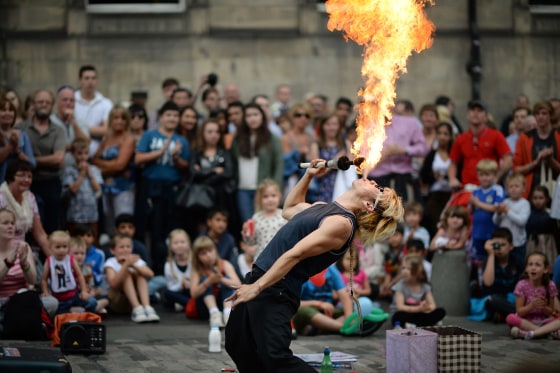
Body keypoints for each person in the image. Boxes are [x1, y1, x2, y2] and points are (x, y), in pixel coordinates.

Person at [225, 160, 403, 372]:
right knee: (238, 344)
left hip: (277, 288)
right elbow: (289, 209)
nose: (374, 182)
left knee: (275, 357)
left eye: (379, 189)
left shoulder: (342, 224)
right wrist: (308, 175)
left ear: (368, 205)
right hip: (262, 278)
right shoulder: (324, 208)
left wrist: (257, 287)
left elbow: (295, 254)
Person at [135, 101, 190, 275]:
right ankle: (154, 269)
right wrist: (160, 152)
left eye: (175, 115)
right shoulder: (149, 135)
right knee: (152, 230)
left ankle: (170, 270)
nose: (172, 119)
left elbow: (185, 166)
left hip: (172, 189)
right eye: (168, 115)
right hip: (151, 188)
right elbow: (138, 159)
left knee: (170, 230)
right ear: (161, 117)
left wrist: (176, 157)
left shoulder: (181, 140)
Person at [16, 89, 66, 234]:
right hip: (26, 182)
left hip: (51, 182)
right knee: (26, 222)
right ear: (33, 104)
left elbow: (58, 158)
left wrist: (31, 160)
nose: (43, 105)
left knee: (52, 223)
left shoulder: (58, 130)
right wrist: (44, 160)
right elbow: (16, 155)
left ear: (52, 105)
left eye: (47, 102)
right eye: (40, 102)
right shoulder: (21, 128)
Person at [0, 208, 58, 319]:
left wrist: (24, 264)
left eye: (12, 223)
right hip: (2, 302)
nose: (11, 226)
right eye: (5, 223)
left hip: (22, 301)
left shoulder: (22, 246)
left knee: (52, 302)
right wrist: (8, 263)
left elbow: (32, 280)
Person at [231, 103, 283, 223]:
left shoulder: (272, 138)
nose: (252, 118)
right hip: (242, 189)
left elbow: (278, 164)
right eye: (248, 115)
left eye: (255, 114)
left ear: (262, 117)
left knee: (265, 223)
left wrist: (276, 188)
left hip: (264, 189)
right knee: (248, 225)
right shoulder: (238, 139)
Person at [92, 105, 136, 236]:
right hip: (106, 187)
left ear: (127, 121)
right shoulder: (107, 137)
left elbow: (120, 165)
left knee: (123, 221)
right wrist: (110, 164)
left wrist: (102, 168)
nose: (119, 121)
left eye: (123, 118)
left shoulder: (129, 138)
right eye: (116, 118)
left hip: (123, 187)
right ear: (111, 120)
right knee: (109, 223)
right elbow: (94, 159)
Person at [448, 100, 511, 189]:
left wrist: (497, 177)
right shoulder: (461, 138)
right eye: (472, 110)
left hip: (490, 188)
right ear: (468, 115)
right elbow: (453, 162)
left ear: (486, 117)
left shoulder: (496, 135)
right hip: (468, 187)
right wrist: (452, 179)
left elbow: (508, 159)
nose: (475, 113)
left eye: (479, 111)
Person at [367, 114, 429, 203]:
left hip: (403, 180)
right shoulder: (364, 124)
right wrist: (380, 154)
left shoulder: (409, 122)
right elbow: (360, 158)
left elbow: (424, 148)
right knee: (378, 214)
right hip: (378, 181)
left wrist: (405, 150)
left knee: (408, 213)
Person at [0, 159, 51, 258]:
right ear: (11, 177)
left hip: (22, 251)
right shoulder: (1, 198)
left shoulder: (30, 197)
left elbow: (40, 234)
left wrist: (55, 259)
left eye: (29, 176)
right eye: (22, 175)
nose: (27, 180)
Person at [104, 234, 160, 323]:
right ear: (112, 250)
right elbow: (113, 284)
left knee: (140, 274)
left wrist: (133, 265)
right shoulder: (110, 262)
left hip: (137, 300)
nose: (125, 249)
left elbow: (150, 274)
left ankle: (147, 307)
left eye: (128, 246)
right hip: (117, 301)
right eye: (121, 247)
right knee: (126, 274)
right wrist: (126, 265)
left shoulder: (135, 260)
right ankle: (136, 308)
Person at [40, 231, 97, 315]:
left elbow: (79, 275)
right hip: (59, 299)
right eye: (58, 247)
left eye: (64, 247)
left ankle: (86, 317)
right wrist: (45, 292)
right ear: (50, 247)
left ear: (68, 247)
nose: (62, 250)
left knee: (92, 302)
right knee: (57, 314)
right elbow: (44, 279)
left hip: (74, 296)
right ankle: (74, 312)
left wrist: (83, 291)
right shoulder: (49, 262)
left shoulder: (70, 259)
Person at [188, 235, 240, 327]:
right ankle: (214, 313)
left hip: (222, 304)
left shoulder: (225, 264)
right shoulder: (196, 269)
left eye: (210, 251)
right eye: (203, 253)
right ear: (197, 257)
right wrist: (209, 281)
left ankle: (227, 313)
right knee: (204, 279)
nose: (208, 255)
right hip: (204, 308)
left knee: (227, 280)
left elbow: (238, 284)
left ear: (215, 250)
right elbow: (194, 294)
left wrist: (221, 279)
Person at [506, 252, 560, 339]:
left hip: (544, 321)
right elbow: (519, 312)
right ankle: (546, 332)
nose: (533, 268)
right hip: (526, 321)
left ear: (545, 269)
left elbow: (550, 312)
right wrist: (532, 306)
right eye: (530, 264)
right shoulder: (521, 285)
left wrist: (543, 307)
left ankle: (530, 334)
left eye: (537, 265)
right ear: (526, 268)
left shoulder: (550, 285)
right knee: (511, 318)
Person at [513, 100, 560, 199]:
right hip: (531, 190)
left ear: (550, 115)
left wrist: (550, 160)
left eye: (544, 113)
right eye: (537, 114)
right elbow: (516, 169)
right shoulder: (525, 138)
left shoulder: (558, 136)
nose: (540, 117)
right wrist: (536, 162)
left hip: (556, 190)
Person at [292, 264, 354, 336]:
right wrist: (318, 304)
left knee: (354, 309)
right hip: (308, 311)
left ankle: (322, 328)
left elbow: (344, 295)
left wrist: (349, 318)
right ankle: (345, 328)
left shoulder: (331, 269)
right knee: (304, 311)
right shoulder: (301, 270)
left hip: (328, 311)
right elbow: (293, 302)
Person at [479, 228, 522, 322]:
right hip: (494, 297)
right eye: (496, 245)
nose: (499, 248)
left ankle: (503, 315)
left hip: (511, 297)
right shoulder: (489, 259)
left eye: (503, 245)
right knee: (491, 300)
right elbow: (488, 283)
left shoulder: (516, 261)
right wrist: (491, 255)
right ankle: (517, 314)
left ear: (511, 246)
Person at [390, 255, 445, 327]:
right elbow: (400, 307)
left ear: (417, 271)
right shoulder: (400, 286)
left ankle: (413, 324)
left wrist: (425, 307)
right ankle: (423, 323)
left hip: (419, 312)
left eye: (409, 269)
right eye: (403, 268)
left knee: (441, 311)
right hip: (405, 312)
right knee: (398, 316)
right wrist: (418, 309)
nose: (404, 271)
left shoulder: (425, 286)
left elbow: (432, 305)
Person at [420, 121, 454, 236]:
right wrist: (433, 176)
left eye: (445, 134)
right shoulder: (432, 154)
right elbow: (423, 176)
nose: (442, 137)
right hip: (435, 194)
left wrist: (448, 177)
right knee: (434, 222)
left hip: (452, 195)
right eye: (439, 133)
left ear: (450, 136)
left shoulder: (454, 154)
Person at [63, 138, 103, 236]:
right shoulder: (69, 170)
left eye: (86, 153)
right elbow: (73, 189)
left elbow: (98, 189)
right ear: (73, 154)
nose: (83, 156)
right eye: (79, 153)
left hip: (92, 215)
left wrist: (89, 174)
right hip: (75, 215)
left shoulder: (94, 170)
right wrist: (81, 174)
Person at [492, 172, 531, 270]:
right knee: (501, 266)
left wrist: (507, 211)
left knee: (518, 267)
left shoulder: (524, 204)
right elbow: (495, 221)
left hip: (518, 243)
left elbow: (522, 221)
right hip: (503, 243)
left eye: (516, 186)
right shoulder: (505, 202)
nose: (513, 189)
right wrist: (499, 213)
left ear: (523, 189)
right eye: (510, 186)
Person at [470, 159, 505, 262]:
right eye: (482, 175)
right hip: (477, 232)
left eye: (488, 175)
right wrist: (472, 205)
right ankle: (480, 278)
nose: (484, 178)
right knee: (478, 261)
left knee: (492, 259)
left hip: (491, 232)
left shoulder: (497, 189)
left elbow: (497, 208)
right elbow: (471, 211)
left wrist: (478, 203)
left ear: (494, 175)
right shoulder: (475, 191)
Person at [73, 65, 113, 158]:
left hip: (97, 154)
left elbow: (107, 130)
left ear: (97, 80)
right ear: (80, 80)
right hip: (75, 154)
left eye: (93, 78)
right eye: (86, 78)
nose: (90, 81)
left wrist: (79, 129)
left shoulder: (106, 103)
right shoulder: (71, 100)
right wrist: (96, 130)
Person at [309, 113, 349, 203]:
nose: (332, 128)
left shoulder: (346, 144)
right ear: (322, 126)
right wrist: (334, 162)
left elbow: (350, 171)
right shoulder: (316, 146)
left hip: (343, 189)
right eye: (328, 124)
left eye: (334, 124)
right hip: (323, 191)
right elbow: (316, 173)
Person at [245, 179, 287, 261]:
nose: (270, 199)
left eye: (273, 195)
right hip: (260, 260)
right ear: (259, 199)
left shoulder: (284, 215)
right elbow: (251, 242)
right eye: (265, 196)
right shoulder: (256, 217)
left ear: (279, 196)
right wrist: (246, 233)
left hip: (280, 259)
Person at [50, 85, 90, 167]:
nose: (68, 103)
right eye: (65, 100)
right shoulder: (49, 121)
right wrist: (75, 147)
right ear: (57, 102)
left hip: (77, 171)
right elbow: (50, 146)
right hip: (56, 171)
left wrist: (72, 122)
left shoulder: (80, 122)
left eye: (72, 100)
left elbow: (86, 144)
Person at [69, 237, 109, 314]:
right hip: (71, 298)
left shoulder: (87, 268)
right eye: (76, 253)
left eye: (82, 253)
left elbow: (91, 286)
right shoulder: (68, 269)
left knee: (104, 300)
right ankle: (91, 311)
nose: (80, 256)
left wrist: (91, 292)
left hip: (84, 297)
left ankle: (82, 311)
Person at [0, 96, 36, 182]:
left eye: (10, 110)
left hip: (19, 187)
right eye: (3, 110)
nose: (7, 113)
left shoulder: (23, 136)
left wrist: (17, 151)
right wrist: (10, 146)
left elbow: (32, 164)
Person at [335, 245, 376, 316]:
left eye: (353, 259)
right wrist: (347, 295)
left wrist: (359, 291)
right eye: (348, 259)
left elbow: (368, 290)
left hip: (360, 300)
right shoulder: (337, 274)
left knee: (369, 305)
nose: (350, 262)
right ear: (341, 260)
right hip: (343, 302)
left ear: (357, 261)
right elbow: (334, 294)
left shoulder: (361, 273)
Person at [525, 186, 557, 268]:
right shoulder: (528, 212)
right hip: (532, 242)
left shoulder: (551, 213)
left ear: (547, 199)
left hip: (547, 242)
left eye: (541, 198)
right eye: (535, 198)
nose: (537, 201)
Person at [200, 208, 239, 273]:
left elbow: (233, 262)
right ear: (209, 222)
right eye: (218, 220)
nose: (221, 224)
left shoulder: (229, 239)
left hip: (225, 273)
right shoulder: (201, 239)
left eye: (224, 221)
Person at [163, 229, 192, 312]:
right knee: (167, 293)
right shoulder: (168, 265)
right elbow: (171, 287)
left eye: (182, 242)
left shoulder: (194, 261)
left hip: (191, 291)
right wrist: (181, 285)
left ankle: (184, 305)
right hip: (177, 292)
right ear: (170, 246)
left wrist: (189, 284)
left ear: (188, 244)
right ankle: (191, 304)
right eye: (176, 243)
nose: (179, 245)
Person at [73, 223, 105, 291]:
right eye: (81, 235)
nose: (85, 238)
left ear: (94, 238)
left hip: (92, 285)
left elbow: (100, 275)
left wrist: (91, 274)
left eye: (88, 235)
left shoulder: (99, 254)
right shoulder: (69, 253)